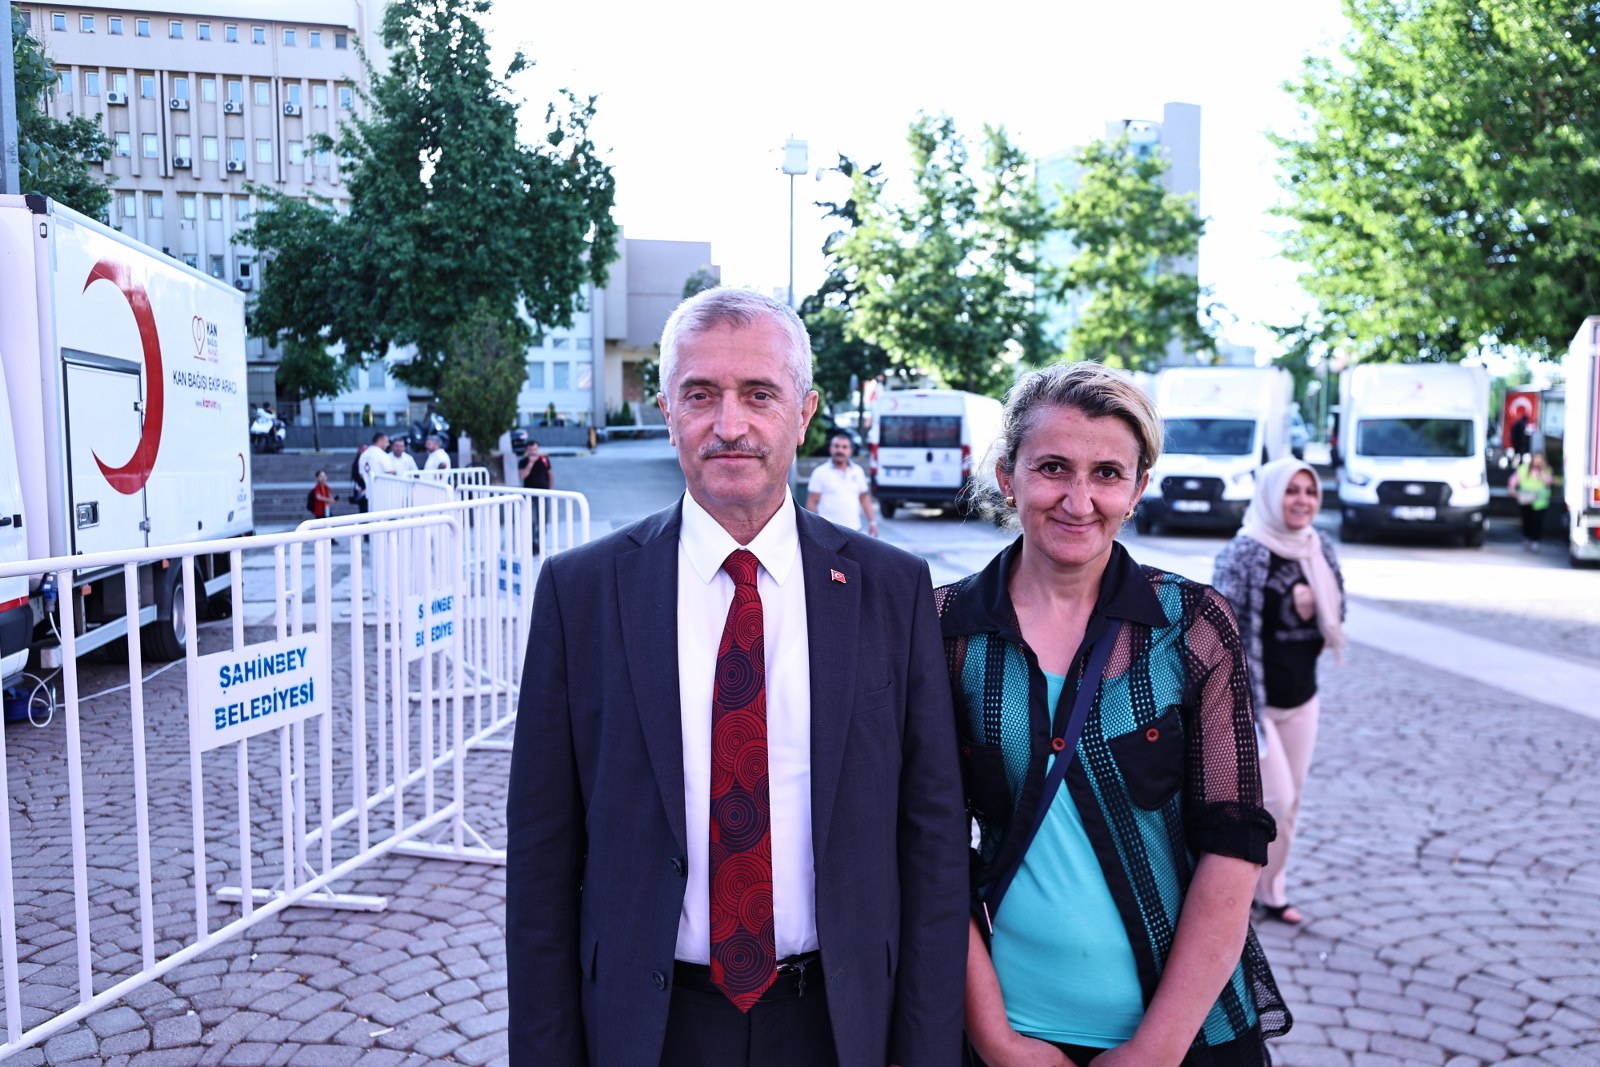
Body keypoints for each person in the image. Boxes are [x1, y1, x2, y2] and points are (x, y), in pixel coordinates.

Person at [506, 287, 969, 1067]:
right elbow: (541, 857)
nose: (729, 424)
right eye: (700, 395)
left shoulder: (892, 591)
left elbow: (933, 843)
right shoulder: (580, 592)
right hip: (649, 1029)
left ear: (804, 411)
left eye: (759, 393)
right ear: (666, 411)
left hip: (838, 1025)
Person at [938, 362, 1289, 1067]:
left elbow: (1233, 844)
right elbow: (927, 847)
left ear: (1137, 489)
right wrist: (996, 1038)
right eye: (1053, 468)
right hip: (1008, 1027)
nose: (1079, 500)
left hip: (1186, 1037)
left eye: (1106, 474)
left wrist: (1154, 1051)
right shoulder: (945, 628)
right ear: (1008, 475)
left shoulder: (1190, 626)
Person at [1211, 459, 1346, 933]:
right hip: (1255, 703)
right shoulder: (1243, 552)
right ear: (1271, 495)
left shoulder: (1318, 548)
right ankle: (1234, 887)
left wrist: (1316, 608)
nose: (1302, 500)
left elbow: (1339, 611)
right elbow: (1221, 630)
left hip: (1302, 697)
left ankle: (1272, 892)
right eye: (1292, 490)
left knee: (1294, 802)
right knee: (1276, 800)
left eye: (1309, 491)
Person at [806, 431, 878, 536]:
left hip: (854, 531)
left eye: (844, 447)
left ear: (850, 451)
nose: (840, 450)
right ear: (830, 449)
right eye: (836, 446)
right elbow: (812, 502)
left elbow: (864, 498)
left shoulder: (858, 471)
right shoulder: (820, 472)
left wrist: (872, 522)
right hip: (828, 532)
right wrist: (811, 530)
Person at [1508, 451, 1553, 551]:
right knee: (1527, 520)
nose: (1537, 462)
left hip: (1540, 502)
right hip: (1526, 499)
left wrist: (1542, 472)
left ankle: (1535, 540)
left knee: (1537, 522)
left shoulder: (1546, 470)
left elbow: (1548, 483)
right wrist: (1513, 491)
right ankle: (1527, 538)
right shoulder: (1524, 468)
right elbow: (1513, 480)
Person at [354, 431, 393, 513]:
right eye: (386, 441)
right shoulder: (382, 455)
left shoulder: (364, 455)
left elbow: (361, 475)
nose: (388, 444)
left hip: (367, 494)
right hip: (382, 496)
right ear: (380, 441)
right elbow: (390, 473)